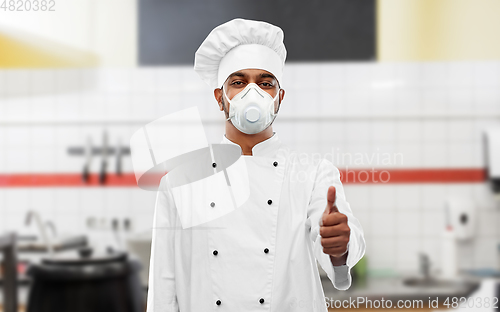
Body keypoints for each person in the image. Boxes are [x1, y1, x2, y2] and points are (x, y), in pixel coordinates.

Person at [146, 18, 365, 312]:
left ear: (279, 98)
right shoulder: (179, 181)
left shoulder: (313, 173)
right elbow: (163, 286)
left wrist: (339, 247)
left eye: (265, 83)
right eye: (238, 82)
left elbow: (340, 250)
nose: (254, 92)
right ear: (220, 98)